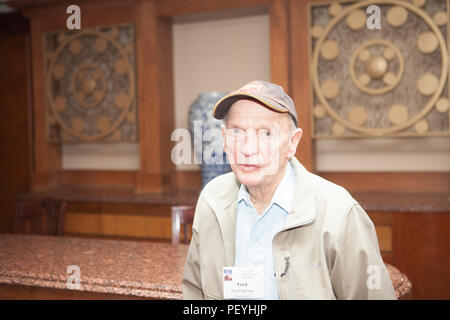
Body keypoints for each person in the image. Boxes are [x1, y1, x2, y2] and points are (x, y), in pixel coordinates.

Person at [182, 80, 396, 300]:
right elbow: (194, 292)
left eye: (265, 133)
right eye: (237, 132)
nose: (247, 148)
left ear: (292, 143)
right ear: (225, 140)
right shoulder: (212, 200)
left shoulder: (338, 212)